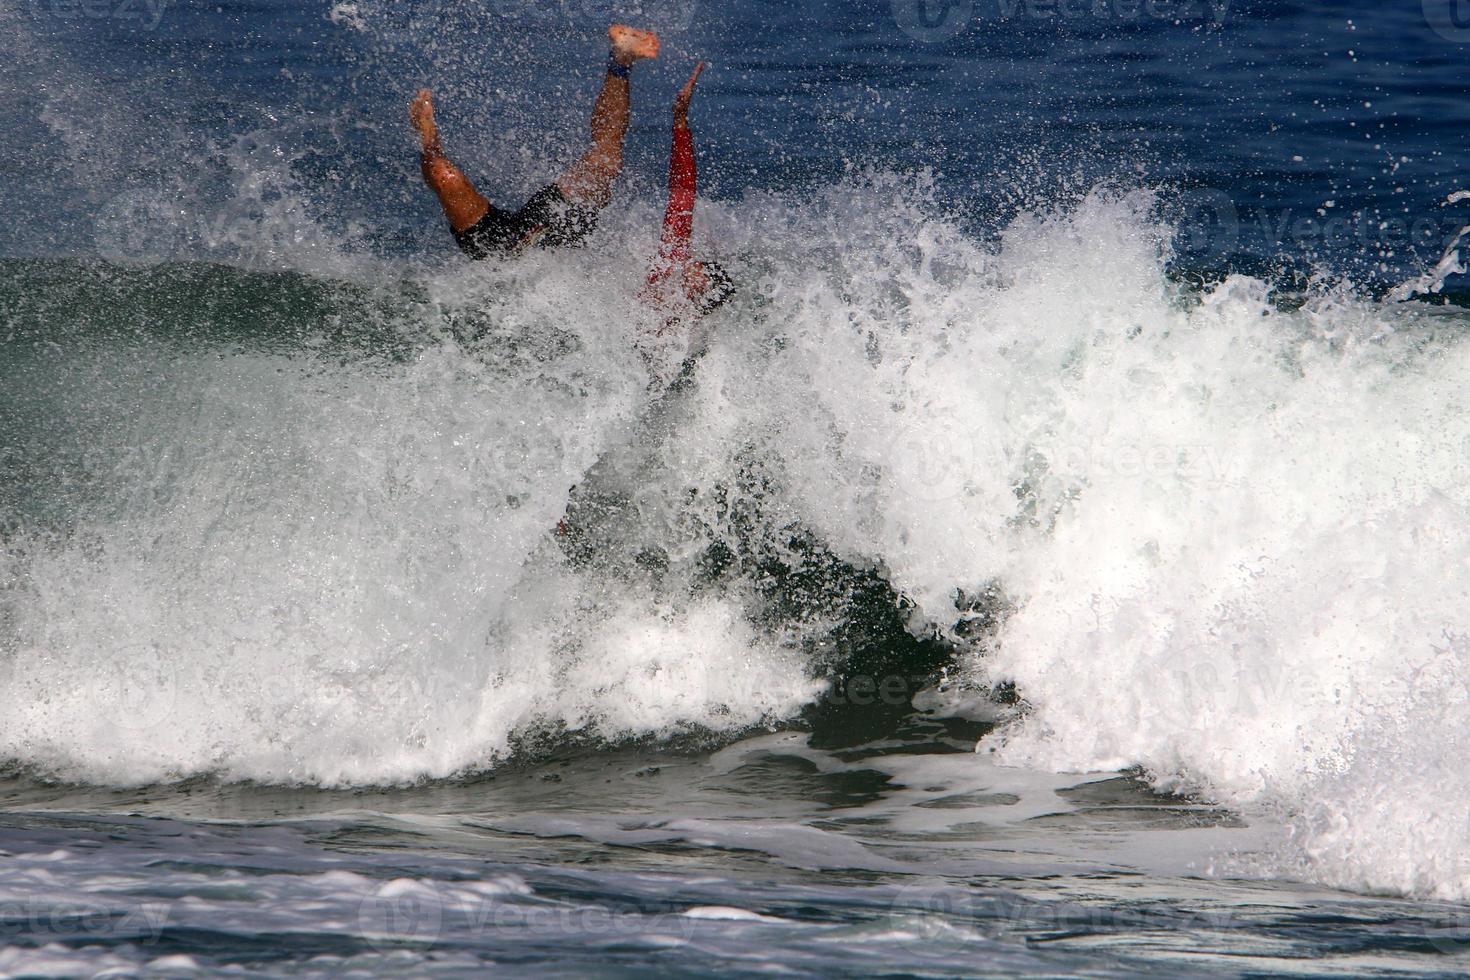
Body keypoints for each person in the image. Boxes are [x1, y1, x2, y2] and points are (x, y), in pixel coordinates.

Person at [410, 25, 660, 258]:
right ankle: (428, 137)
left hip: (548, 234)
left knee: (606, 159)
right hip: (499, 248)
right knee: (443, 175)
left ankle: (621, 59)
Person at [642, 61, 735, 320]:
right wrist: (680, 121)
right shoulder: (672, 259)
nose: (690, 268)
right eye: (696, 266)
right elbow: (683, 190)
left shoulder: (677, 329)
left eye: (696, 281)